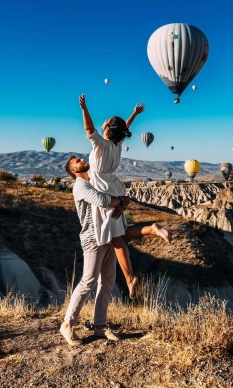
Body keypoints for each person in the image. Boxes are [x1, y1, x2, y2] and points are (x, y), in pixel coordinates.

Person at [60, 156, 173, 346]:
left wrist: (121, 202)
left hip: (109, 236)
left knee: (107, 283)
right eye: (76, 161)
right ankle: (68, 325)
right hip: (92, 239)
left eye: (80, 158)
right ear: (73, 170)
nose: (81, 159)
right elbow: (101, 200)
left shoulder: (97, 182)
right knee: (88, 281)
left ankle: (100, 326)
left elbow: (118, 199)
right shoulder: (80, 185)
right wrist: (120, 201)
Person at [78, 94, 170, 299]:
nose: (103, 122)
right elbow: (124, 128)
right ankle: (151, 229)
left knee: (116, 238)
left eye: (107, 122)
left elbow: (89, 129)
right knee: (120, 234)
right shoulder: (117, 146)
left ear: (108, 129)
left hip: (102, 189)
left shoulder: (101, 145)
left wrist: (84, 108)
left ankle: (130, 279)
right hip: (114, 186)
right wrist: (134, 115)